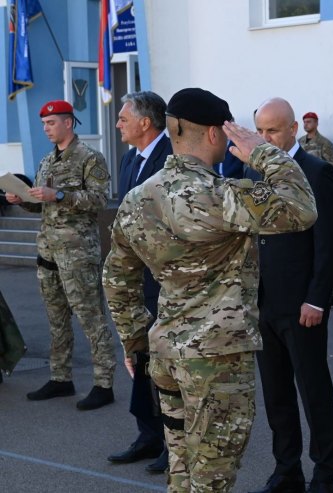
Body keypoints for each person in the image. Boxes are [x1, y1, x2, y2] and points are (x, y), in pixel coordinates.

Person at [102, 87, 317, 493]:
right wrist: (260, 152)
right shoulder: (221, 196)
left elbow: (117, 276)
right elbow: (302, 207)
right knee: (212, 477)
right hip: (216, 358)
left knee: (182, 472)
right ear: (217, 134)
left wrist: (134, 340)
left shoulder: (137, 198)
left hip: (165, 353)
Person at [250, 98, 333, 493]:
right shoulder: (250, 170)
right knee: (276, 395)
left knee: (313, 392)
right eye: (260, 131)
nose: (265, 138)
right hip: (262, 302)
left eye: (272, 130)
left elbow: (327, 241)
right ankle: (287, 469)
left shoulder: (316, 171)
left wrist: (316, 298)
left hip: (303, 304)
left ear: (292, 130)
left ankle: (324, 475)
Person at [6, 100, 116, 411]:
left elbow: (98, 199)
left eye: (51, 123)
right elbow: (42, 204)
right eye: (43, 124)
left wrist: (61, 195)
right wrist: (22, 199)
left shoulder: (89, 158)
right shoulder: (45, 161)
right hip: (48, 252)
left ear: (69, 123)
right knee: (56, 320)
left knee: (91, 319)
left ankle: (103, 383)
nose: (46, 129)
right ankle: (60, 378)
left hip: (78, 253)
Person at [107, 91, 171, 473]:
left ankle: (170, 439)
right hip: (135, 275)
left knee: (164, 360)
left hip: (163, 277)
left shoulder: (171, 158)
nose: (118, 124)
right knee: (141, 354)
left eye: (122, 118)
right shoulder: (131, 158)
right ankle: (148, 434)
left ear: (145, 122)